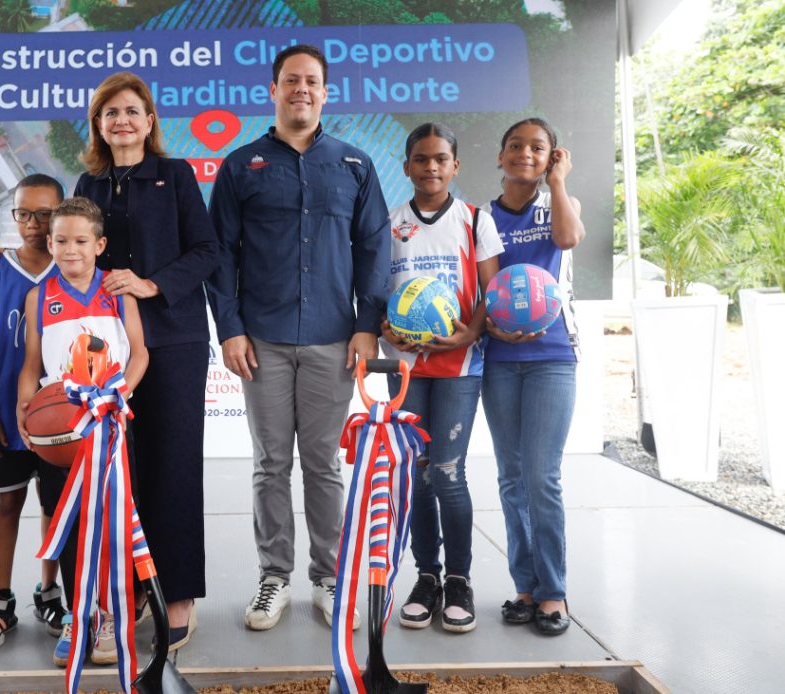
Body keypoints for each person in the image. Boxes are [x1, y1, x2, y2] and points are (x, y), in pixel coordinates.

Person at [0, 71, 216, 651]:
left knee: (173, 467)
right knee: (120, 476)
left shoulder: (177, 174)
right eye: (111, 114)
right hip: (102, 359)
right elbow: (62, 243)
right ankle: (132, 588)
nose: (123, 121)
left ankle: (178, 593)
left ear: (150, 120)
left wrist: (152, 284)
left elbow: (208, 251)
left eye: (133, 111)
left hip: (173, 340)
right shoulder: (89, 180)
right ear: (98, 125)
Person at [207, 44, 390, 631]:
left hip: (334, 340)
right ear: (274, 90)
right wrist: (230, 330)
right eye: (291, 81)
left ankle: (331, 577)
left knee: (323, 465)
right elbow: (220, 259)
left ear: (325, 93)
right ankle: (274, 577)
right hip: (260, 341)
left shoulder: (356, 166)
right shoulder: (241, 167)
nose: (301, 90)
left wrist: (367, 327)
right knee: (268, 465)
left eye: (311, 81)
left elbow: (375, 251)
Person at [16, 196, 149, 666]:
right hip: (61, 434)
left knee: (114, 522)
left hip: (110, 424)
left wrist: (119, 395)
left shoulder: (118, 291)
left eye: (80, 241)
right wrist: (23, 405)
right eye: (61, 241)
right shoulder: (39, 297)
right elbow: (32, 366)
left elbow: (139, 354)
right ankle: (79, 614)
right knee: (65, 519)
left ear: (100, 244)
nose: (71, 250)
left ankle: (115, 614)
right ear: (48, 243)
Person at [382, 123, 502, 635]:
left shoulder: (475, 220)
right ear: (406, 166)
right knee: (415, 475)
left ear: (455, 166)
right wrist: (388, 330)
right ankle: (425, 576)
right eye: (421, 159)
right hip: (407, 369)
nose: (431, 167)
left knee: (447, 475)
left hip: (458, 367)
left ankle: (459, 579)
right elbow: (375, 293)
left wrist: (466, 334)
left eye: (441, 159)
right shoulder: (390, 224)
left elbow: (492, 295)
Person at [481, 118, 585, 636]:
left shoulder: (557, 208)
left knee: (542, 478)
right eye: (516, 146)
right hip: (498, 359)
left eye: (538, 148)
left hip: (551, 357)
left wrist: (560, 183)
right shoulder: (479, 217)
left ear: (551, 158)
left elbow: (568, 239)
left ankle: (554, 591)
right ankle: (524, 587)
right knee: (511, 476)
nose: (525, 153)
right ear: (500, 157)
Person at [0, 174, 74, 655]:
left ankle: (48, 591)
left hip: (58, 419)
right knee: (8, 502)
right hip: (9, 416)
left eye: (46, 214)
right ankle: (1, 599)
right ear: (12, 214)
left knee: (53, 507)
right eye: (23, 213)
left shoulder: (74, 269)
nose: (34, 225)